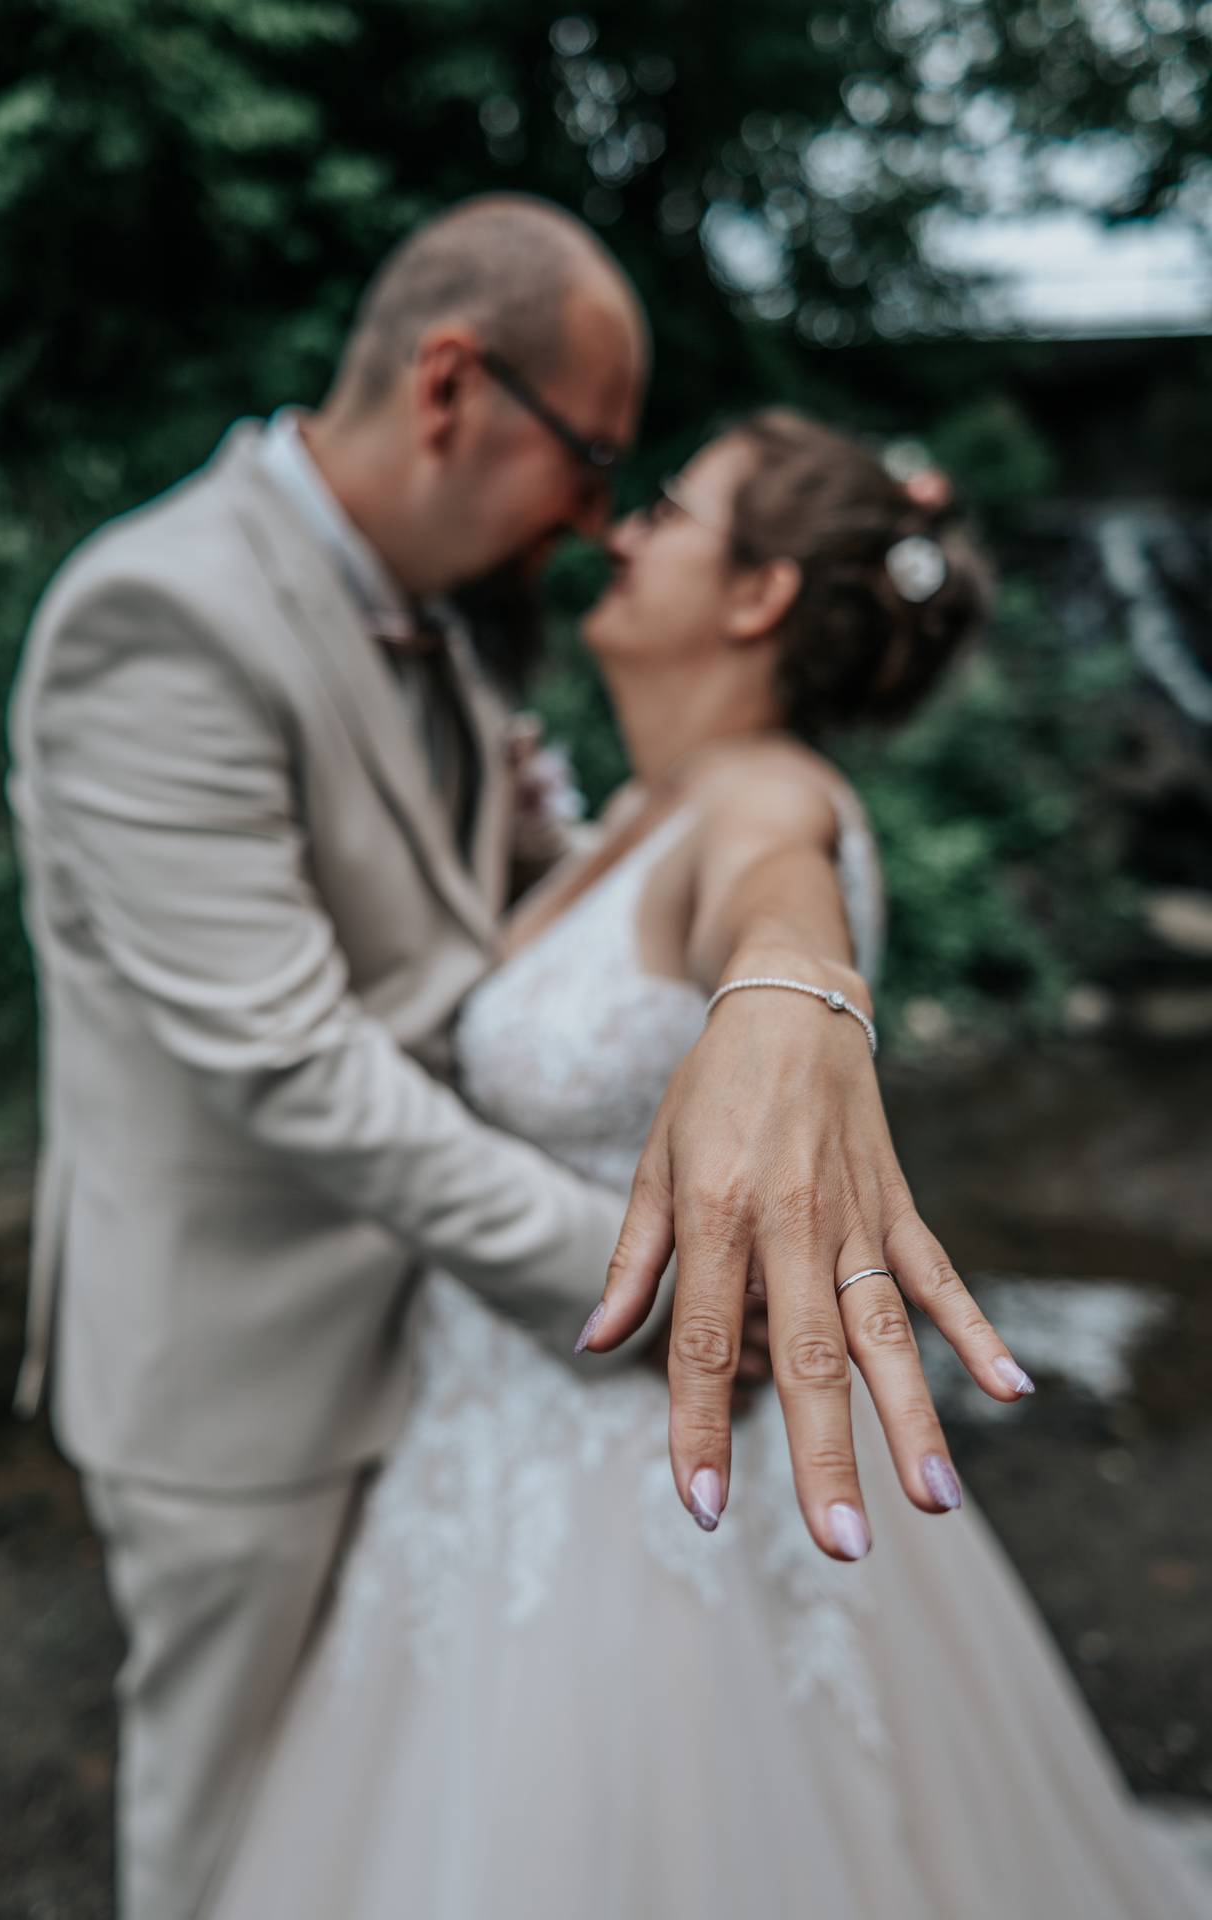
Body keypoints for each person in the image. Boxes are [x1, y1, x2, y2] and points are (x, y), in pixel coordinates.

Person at [7, 197, 1020, 1920]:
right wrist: (654, 1287)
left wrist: (794, 985)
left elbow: (769, 850)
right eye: (591, 458)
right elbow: (295, 1065)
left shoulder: (524, 665)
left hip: (472, 1368)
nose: (600, 519)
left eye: (644, 484)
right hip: (254, 1372)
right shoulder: (161, 619)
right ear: (453, 386)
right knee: (226, 1844)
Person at [205, 412, 1209, 1920]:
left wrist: (789, 997)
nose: (621, 527)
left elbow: (779, 887)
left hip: (650, 1486)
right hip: (488, 1442)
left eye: (669, 507)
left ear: (755, 597)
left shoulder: (762, 799)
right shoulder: (637, 810)